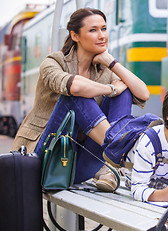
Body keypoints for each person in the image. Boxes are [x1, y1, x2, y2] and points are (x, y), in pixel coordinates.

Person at [11, 8, 149, 192]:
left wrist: (112, 62)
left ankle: (114, 158)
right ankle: (122, 150)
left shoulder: (103, 70)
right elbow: (74, 87)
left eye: (104, 29)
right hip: (47, 159)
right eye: (93, 30)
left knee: (124, 93)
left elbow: (143, 94)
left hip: (79, 163)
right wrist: (111, 89)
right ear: (75, 35)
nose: (102, 36)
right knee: (76, 97)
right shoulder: (54, 62)